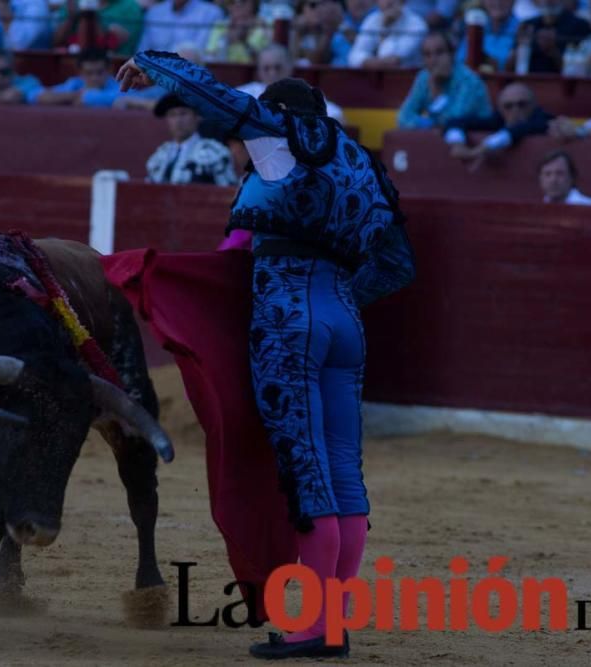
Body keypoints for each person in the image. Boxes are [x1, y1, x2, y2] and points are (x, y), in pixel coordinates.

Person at [115, 48, 415, 660]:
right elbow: (397, 263)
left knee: (307, 475)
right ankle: (333, 622)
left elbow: (219, 99)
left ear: (278, 114)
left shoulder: (281, 139)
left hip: (288, 318)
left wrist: (154, 63)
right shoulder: (362, 164)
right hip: (343, 318)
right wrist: (338, 298)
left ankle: (312, 630)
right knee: (342, 471)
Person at [443, 82, 555, 169]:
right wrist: (457, 144)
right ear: (500, 109)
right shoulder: (497, 119)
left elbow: (521, 129)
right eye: (508, 106)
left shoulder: (543, 119)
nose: (515, 110)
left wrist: (476, 151)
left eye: (522, 105)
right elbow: (454, 122)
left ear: (533, 105)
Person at [398, 31, 493, 129]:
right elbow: (403, 117)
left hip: (474, 139)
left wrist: (436, 91)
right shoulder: (424, 77)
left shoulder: (469, 81)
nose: (433, 60)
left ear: (452, 54)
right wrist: (428, 124)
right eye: (427, 55)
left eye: (439, 52)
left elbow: (453, 122)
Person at [145, 94, 238, 185]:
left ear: (197, 117)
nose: (178, 121)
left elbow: (227, 192)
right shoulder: (160, 155)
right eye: (172, 115)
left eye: (183, 113)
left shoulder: (215, 152)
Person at [238, 45, 345, 122]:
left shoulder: (305, 92)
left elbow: (337, 115)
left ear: (289, 67)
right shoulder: (246, 92)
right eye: (266, 68)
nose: (272, 73)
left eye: (278, 67)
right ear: (259, 70)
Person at [347, 0, 428, 67]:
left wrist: (385, 27)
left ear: (403, 1)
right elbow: (354, 57)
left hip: (409, 80)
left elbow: (391, 59)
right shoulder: (372, 20)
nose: (389, 2)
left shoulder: (417, 24)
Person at [29, 49, 121, 106]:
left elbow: (122, 100)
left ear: (109, 70)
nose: (94, 78)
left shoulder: (120, 87)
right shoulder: (75, 84)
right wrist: (73, 96)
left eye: (100, 72)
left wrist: (80, 97)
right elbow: (34, 95)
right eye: (89, 73)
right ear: (80, 72)